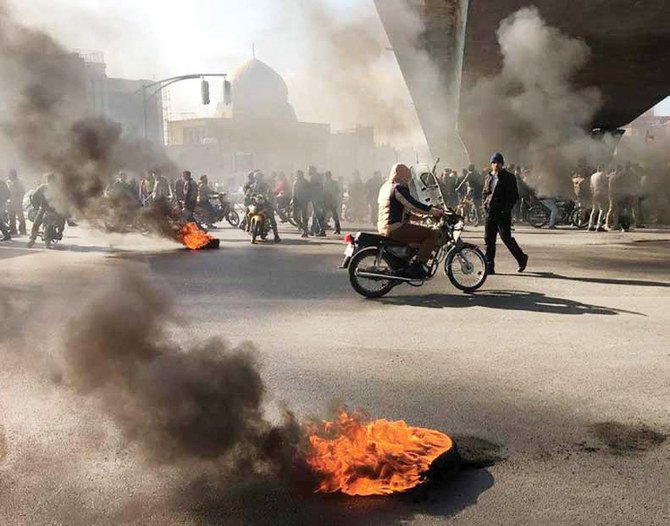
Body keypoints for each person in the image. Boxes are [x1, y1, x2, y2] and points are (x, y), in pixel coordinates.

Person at [377, 163, 444, 279]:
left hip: (384, 226)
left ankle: (408, 262)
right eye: (407, 176)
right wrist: (433, 211)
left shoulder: (385, 187)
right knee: (431, 234)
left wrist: (422, 217)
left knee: (419, 234)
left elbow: (402, 210)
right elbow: (413, 205)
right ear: (400, 174)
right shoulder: (397, 188)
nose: (408, 180)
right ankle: (417, 266)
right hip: (395, 227)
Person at [482, 152, 528, 274]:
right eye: (494, 162)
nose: (496, 165)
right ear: (491, 164)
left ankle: (521, 258)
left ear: (502, 164)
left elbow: (514, 196)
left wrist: (505, 209)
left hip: (502, 214)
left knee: (506, 238)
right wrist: (484, 206)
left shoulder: (509, 177)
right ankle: (489, 266)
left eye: (498, 162)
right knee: (489, 240)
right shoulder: (488, 177)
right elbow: (485, 194)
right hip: (490, 213)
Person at [27, 173, 65, 248]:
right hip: (53, 209)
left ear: (47, 180)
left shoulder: (43, 187)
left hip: (45, 208)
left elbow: (34, 196)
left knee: (36, 224)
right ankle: (59, 232)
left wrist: (36, 205)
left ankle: (32, 239)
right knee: (62, 220)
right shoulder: (57, 188)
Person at [588, 165, 608, 232]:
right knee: (602, 209)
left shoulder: (592, 176)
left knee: (594, 210)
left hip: (594, 194)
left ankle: (590, 225)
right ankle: (599, 226)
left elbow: (591, 186)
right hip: (601, 193)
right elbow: (606, 184)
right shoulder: (602, 175)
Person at [7, 169, 26, 236]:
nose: (9, 175)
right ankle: (13, 230)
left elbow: (22, 192)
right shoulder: (9, 182)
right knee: (11, 217)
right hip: (10, 202)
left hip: (17, 202)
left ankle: (22, 230)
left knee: (20, 217)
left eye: (10, 174)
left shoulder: (19, 182)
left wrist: (19, 199)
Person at [292, 170, 310, 237]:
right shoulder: (295, 182)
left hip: (303, 201)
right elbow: (294, 192)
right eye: (298, 174)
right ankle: (304, 228)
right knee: (295, 217)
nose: (298, 176)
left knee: (304, 217)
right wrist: (293, 199)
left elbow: (309, 191)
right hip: (296, 201)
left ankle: (305, 231)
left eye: (300, 174)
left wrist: (307, 199)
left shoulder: (305, 182)